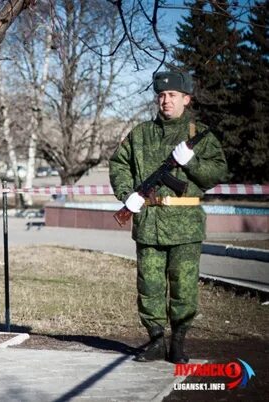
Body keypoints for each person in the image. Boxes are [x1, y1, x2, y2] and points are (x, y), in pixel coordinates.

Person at [109, 71, 228, 364]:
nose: (166, 101)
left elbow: (216, 174)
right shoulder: (140, 134)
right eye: (161, 95)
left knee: (184, 286)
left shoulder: (199, 136)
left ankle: (178, 342)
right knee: (148, 285)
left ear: (186, 99)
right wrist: (128, 195)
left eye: (172, 95)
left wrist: (193, 161)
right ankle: (155, 341)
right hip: (149, 222)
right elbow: (118, 165)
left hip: (185, 224)